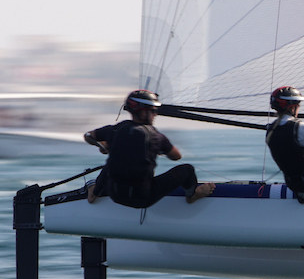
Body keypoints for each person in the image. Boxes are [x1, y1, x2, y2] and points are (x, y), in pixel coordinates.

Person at [85, 89, 215, 208]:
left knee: (114, 161)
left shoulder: (116, 129)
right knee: (187, 169)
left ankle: (94, 194)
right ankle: (192, 196)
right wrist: (159, 149)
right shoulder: (156, 136)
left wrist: (105, 145)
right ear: (143, 112)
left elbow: (88, 136)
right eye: (153, 111)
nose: (155, 114)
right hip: (143, 199)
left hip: (115, 195)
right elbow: (176, 156)